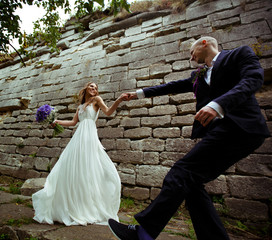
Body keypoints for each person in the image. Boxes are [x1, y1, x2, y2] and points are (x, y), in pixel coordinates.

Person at [108, 36, 270, 240]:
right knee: (191, 185)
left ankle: (144, 233)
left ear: (204, 43)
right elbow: (172, 86)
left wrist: (218, 105)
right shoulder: (199, 75)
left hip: (243, 126)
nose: (191, 56)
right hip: (221, 133)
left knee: (181, 172)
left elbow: (253, 79)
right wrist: (138, 93)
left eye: (191, 51)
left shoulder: (239, 54)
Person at [32, 82, 128, 226]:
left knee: (89, 167)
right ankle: (72, 204)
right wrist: (56, 121)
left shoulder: (97, 100)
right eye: (91, 86)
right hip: (78, 138)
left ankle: (89, 204)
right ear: (86, 89)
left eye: (96, 87)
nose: (94, 88)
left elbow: (108, 112)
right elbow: (73, 122)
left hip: (89, 137)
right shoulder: (80, 107)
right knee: (71, 166)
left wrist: (119, 100)